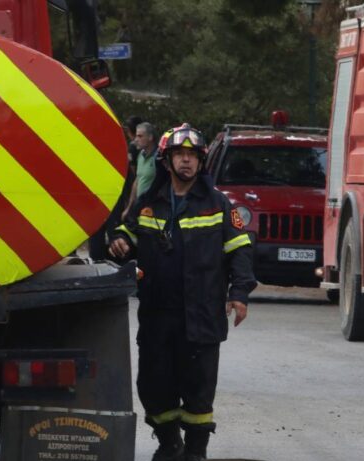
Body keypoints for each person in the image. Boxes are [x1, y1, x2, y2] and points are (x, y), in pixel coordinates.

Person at [109, 123, 257, 461]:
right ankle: (168, 442)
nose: (187, 162)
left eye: (192, 156)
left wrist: (240, 294)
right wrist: (120, 241)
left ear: (202, 162)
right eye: (180, 155)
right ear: (167, 161)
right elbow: (126, 231)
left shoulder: (219, 205)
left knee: (198, 390)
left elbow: (240, 250)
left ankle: (194, 451)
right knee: (153, 385)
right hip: (158, 314)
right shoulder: (149, 203)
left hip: (202, 315)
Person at [88, 115, 143, 260]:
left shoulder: (117, 150)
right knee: (103, 231)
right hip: (106, 196)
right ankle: (102, 258)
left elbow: (129, 176)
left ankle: (105, 258)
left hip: (108, 197)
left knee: (108, 231)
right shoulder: (117, 148)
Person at [122, 121, 159, 221]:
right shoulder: (140, 155)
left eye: (140, 136)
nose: (136, 140)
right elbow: (137, 181)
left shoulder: (159, 158)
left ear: (150, 137)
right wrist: (129, 208)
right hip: (139, 206)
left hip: (154, 209)